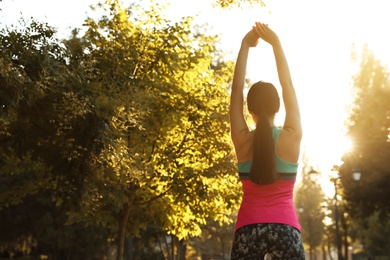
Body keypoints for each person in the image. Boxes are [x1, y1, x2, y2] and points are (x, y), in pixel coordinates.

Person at [229, 22, 304, 259]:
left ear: (248, 110)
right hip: (286, 230)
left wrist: (245, 46)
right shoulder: (291, 135)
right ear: (278, 107)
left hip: (247, 231)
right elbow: (288, 85)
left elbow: (236, 91)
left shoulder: (242, 140)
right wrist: (276, 44)